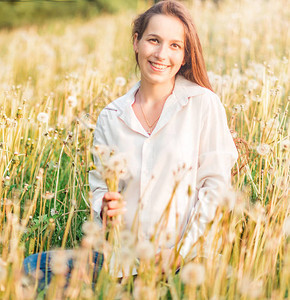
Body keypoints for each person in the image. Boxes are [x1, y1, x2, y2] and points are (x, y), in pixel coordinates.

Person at [24, 0, 238, 287]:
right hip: (123, 263)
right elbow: (101, 186)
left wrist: (178, 254)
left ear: (185, 56)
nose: (162, 54)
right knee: (32, 267)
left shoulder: (203, 104)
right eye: (154, 40)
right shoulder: (112, 116)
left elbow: (216, 187)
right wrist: (104, 209)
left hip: (184, 263)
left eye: (175, 45)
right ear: (136, 42)